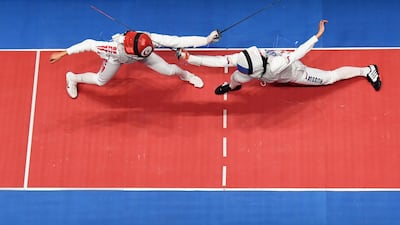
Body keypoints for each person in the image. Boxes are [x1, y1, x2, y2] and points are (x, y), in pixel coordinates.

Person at [176, 20, 382, 95]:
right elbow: (217, 61)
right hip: (264, 74)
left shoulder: (276, 66)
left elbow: (299, 53)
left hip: (293, 73)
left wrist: (316, 36)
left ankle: (367, 70)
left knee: (329, 78)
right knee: (235, 79)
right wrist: (189, 57)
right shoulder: (242, 58)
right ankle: (232, 87)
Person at [49, 29, 221, 98]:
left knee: (169, 71)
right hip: (117, 59)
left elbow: (179, 41)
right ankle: (73, 78)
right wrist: (64, 53)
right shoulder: (113, 48)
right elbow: (88, 44)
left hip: (143, 56)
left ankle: (186, 75)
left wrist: (206, 40)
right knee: (101, 81)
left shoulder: (150, 40)